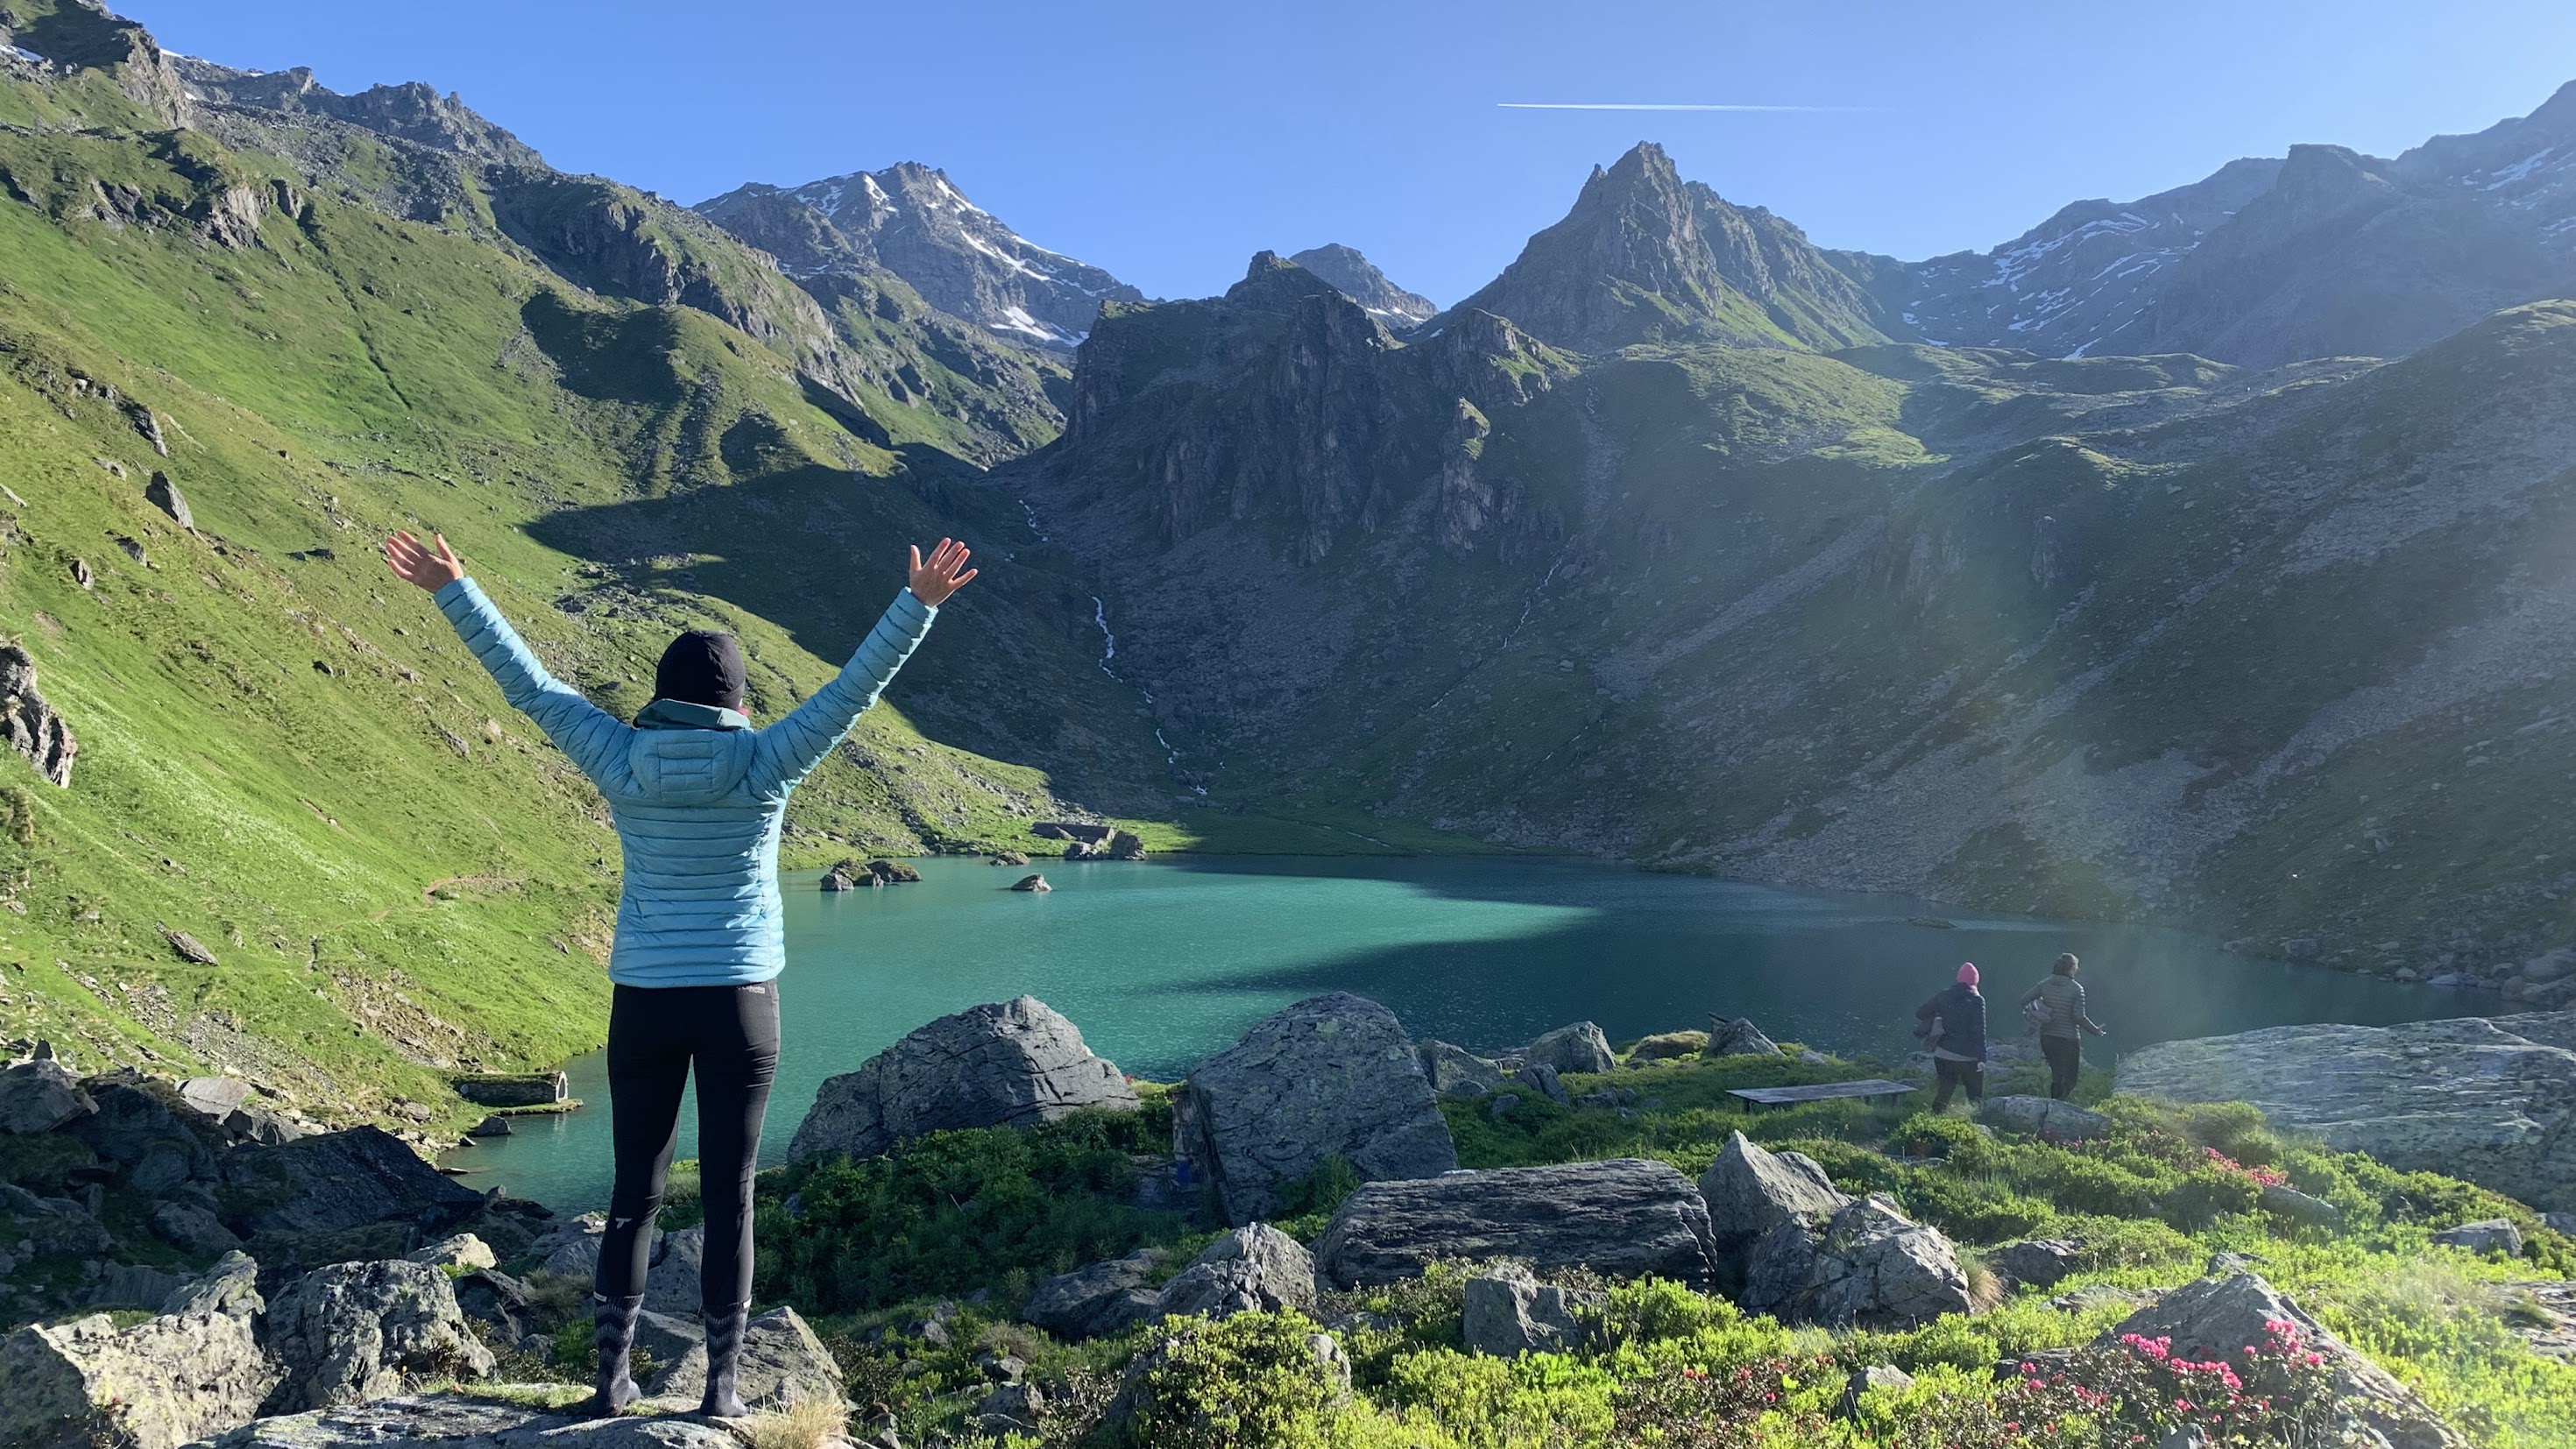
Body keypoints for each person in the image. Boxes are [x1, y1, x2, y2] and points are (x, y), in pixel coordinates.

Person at [381, 528, 977, 1418]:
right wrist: (916, 606)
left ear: (660, 696)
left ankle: (610, 1381)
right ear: (736, 699)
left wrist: (455, 590)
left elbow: (531, 687)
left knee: (635, 1193)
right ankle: (722, 1393)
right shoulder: (767, 762)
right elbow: (853, 693)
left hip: (648, 1002)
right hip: (742, 1002)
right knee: (731, 1195)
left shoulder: (621, 759)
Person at [2020, 951, 2108, 1100]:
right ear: (2072, 969)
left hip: (2047, 1037)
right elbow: (2078, 1017)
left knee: (2057, 1075)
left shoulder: (2044, 985)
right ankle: (2059, 1104)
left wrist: (2035, 1012)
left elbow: (2024, 1000)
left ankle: (2054, 1103)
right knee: (2070, 1078)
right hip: (2069, 1039)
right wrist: (2095, 1031)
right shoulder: (2076, 989)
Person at [1914, 963, 1987, 1111]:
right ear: (1975, 982)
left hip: (1944, 1054)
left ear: (1958, 979)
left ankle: (1934, 1121)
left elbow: (1920, 1013)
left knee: (1944, 1092)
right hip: (1969, 1058)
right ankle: (1976, 1123)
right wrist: (1982, 1059)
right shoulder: (1977, 1000)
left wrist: (1939, 1018)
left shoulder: (1943, 995)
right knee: (1975, 1097)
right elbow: (1979, 1032)